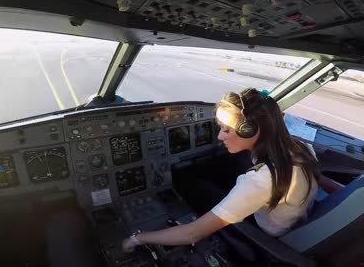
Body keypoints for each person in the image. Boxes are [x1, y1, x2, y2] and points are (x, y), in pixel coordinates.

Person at [122, 88, 319, 253]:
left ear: (249, 129)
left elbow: (192, 234)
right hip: (294, 218)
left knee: (192, 183)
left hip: (264, 233)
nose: (219, 136)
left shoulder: (259, 181)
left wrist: (138, 239)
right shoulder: (300, 146)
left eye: (226, 129)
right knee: (225, 166)